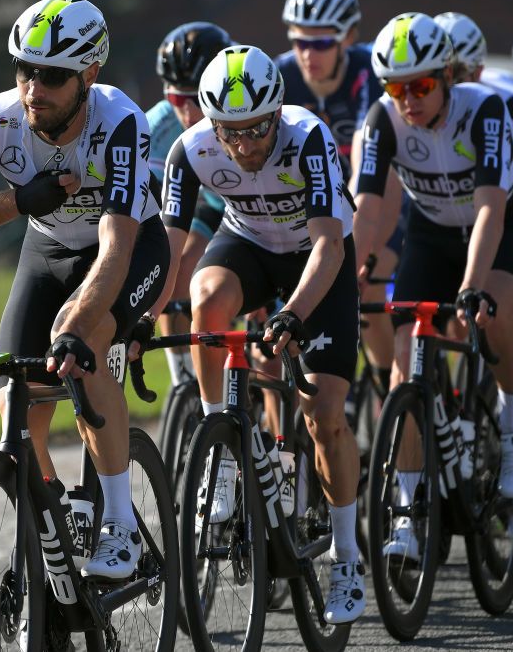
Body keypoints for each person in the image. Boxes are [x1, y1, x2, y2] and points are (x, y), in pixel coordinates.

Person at [0, 0, 169, 581]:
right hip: (45, 248)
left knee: (83, 353)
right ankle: (55, 505)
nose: (32, 88)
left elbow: (120, 244)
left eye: (52, 75)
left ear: (89, 75)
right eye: (24, 68)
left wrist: (75, 328)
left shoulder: (119, 121)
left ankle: (121, 523)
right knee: (13, 402)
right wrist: (19, 201)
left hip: (125, 248)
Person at [149, 44, 366, 624]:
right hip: (247, 242)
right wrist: (139, 313)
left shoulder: (308, 135)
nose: (243, 147)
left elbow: (327, 243)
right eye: (230, 134)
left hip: (315, 258)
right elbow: (168, 251)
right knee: (204, 296)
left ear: (277, 112)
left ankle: (347, 554)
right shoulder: (189, 148)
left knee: (323, 413)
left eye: (256, 130)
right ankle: (221, 443)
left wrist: (293, 313)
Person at [352, 12, 513, 561]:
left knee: (493, 312)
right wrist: (350, 267)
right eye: (395, 87)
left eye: (422, 86)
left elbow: (490, 213)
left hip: (499, 228)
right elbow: (367, 209)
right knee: (406, 352)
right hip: (433, 235)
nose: (408, 99)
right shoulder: (381, 120)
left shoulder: (486, 109)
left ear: (448, 77)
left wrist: (472, 286)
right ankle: (409, 508)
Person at [436, 11, 513, 539]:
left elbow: (502, 200)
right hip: (454, 211)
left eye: (461, 70)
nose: (452, 82)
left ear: (479, 68)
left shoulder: (502, 102)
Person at [279, 0, 402, 395]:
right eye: (300, 42)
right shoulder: (280, 76)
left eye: (322, 43)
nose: (308, 54)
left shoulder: (373, 75)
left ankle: (388, 390)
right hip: (311, 210)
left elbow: (375, 178)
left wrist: (359, 257)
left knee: (370, 281)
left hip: (385, 198)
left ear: (349, 36)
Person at [148, 21, 232, 388]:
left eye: (194, 98)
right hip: (209, 207)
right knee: (171, 265)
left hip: (257, 210)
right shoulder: (157, 126)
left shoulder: (241, 109)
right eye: (175, 99)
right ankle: (183, 380)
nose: (185, 111)